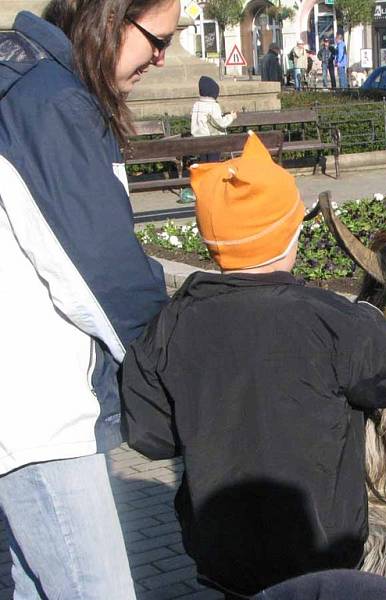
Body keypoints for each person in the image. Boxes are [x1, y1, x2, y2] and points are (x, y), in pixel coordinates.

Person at [120, 132, 386, 597]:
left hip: (225, 561)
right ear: (292, 235)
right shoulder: (329, 320)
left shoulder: (171, 326)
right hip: (318, 561)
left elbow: (149, 434)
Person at [0, 1, 175, 598]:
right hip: (38, 412)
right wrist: (179, 364)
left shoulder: (26, 77)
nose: (160, 57)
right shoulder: (49, 99)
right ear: (111, 17)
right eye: (156, 39)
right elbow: (99, 274)